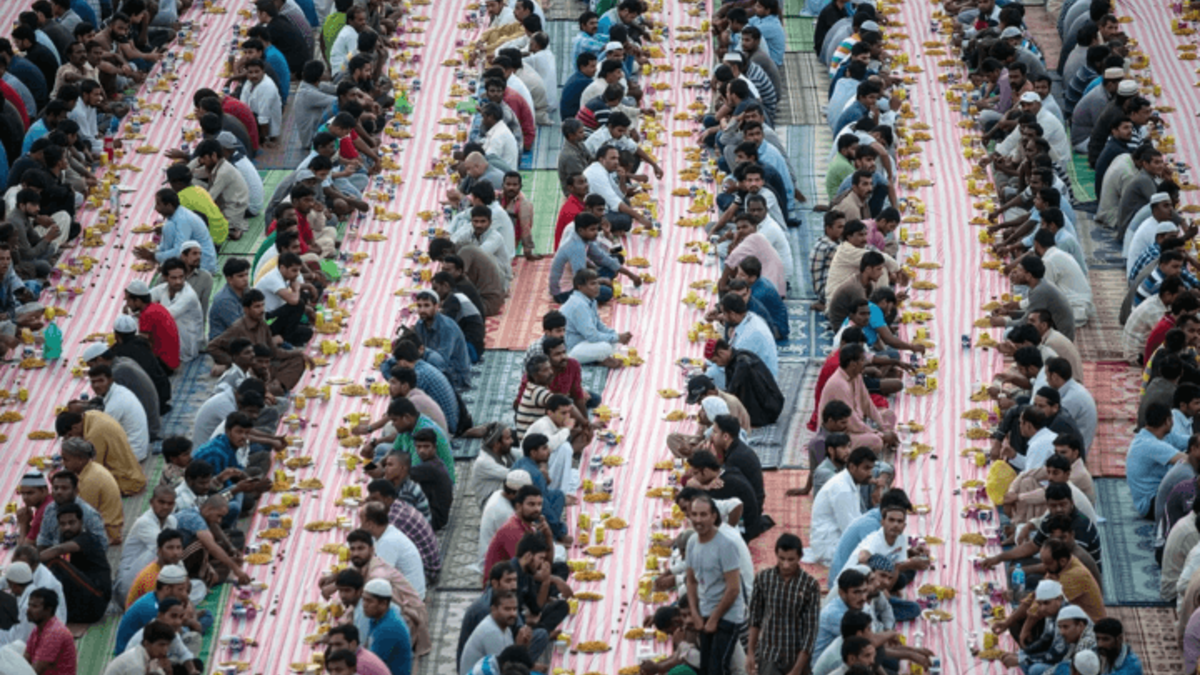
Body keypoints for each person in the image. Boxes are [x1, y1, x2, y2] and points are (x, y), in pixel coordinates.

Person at [685, 492, 747, 675]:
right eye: (694, 514)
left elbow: (733, 588)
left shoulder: (726, 545)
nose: (698, 520)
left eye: (703, 515)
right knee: (705, 667)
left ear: (713, 516)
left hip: (727, 615)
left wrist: (714, 618)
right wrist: (695, 614)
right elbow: (691, 581)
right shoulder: (691, 542)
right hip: (705, 611)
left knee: (717, 668)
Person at [746, 533, 821, 675]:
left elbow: (810, 631)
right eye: (782, 559)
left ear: (800, 557)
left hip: (796, 657)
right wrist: (750, 653)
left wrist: (797, 669)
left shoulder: (809, 585)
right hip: (769, 656)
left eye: (791, 560)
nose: (786, 565)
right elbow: (755, 619)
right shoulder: (764, 579)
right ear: (776, 555)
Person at [41, 502, 111, 624]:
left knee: (56, 563)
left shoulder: (87, 538)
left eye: (71, 523)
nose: (67, 527)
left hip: (97, 600)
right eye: (63, 524)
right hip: (84, 599)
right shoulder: (65, 537)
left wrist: (32, 561)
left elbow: (59, 549)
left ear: (81, 522)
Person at [808, 447, 878, 566]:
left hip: (837, 537)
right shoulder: (842, 489)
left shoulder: (852, 481)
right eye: (866, 468)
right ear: (852, 467)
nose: (870, 473)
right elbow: (850, 530)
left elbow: (857, 520)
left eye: (871, 468)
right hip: (829, 547)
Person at [560, 268, 632, 367]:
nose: (597, 287)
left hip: (583, 341)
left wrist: (615, 335)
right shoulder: (578, 305)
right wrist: (617, 338)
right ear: (580, 287)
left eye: (598, 283)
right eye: (593, 284)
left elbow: (598, 324)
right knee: (606, 347)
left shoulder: (591, 300)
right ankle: (596, 359)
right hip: (570, 349)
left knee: (612, 342)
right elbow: (592, 336)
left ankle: (598, 358)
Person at [1127, 402, 1187, 518]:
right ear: (1168, 421)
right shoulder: (1150, 444)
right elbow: (1189, 461)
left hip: (1158, 495)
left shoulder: (1161, 436)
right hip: (1150, 504)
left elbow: (1189, 441)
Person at [359, 577, 414, 674]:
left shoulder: (388, 629)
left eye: (369, 601)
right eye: (363, 600)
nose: (364, 605)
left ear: (383, 604)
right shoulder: (380, 614)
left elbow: (370, 666)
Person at [22, 589, 74, 674]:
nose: (28, 610)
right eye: (29, 605)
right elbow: (25, 659)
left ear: (48, 610)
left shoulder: (55, 633)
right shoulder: (37, 630)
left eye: (34, 606)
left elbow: (35, 671)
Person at [104, 620, 177, 675]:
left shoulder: (148, 658)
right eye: (161, 645)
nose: (165, 650)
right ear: (147, 643)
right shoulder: (136, 665)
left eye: (168, 645)